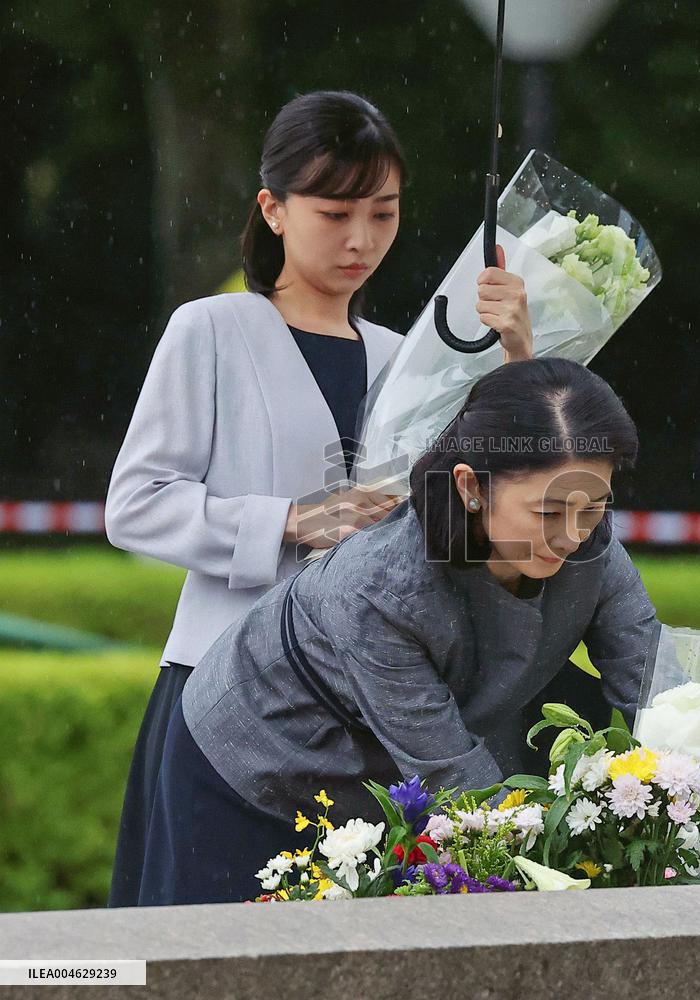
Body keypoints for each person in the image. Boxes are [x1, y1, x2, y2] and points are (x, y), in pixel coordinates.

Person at [104, 90, 534, 907]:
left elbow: (493, 509)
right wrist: (289, 523)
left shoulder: (407, 358)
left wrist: (518, 351)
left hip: (370, 720)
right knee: (211, 949)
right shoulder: (213, 330)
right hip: (221, 695)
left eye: (384, 212)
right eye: (335, 212)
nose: (361, 239)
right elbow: (135, 502)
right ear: (273, 208)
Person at [135, 358, 655, 904]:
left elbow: (653, 685)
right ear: (471, 486)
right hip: (260, 760)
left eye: (593, 507)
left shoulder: (593, 546)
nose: (573, 535)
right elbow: (454, 781)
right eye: (547, 512)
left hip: (398, 766)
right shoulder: (380, 587)